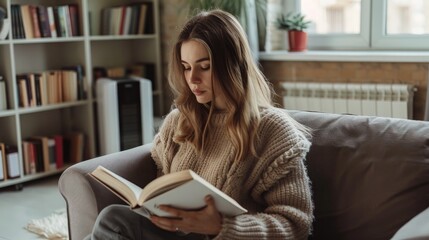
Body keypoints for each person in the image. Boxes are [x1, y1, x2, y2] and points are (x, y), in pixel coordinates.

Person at [86, 9, 313, 240]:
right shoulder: (179, 122)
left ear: (233, 65)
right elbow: (162, 194)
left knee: (112, 220)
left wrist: (221, 227)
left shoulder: (273, 130)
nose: (192, 78)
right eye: (186, 67)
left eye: (204, 67)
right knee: (111, 224)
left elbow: (295, 224)